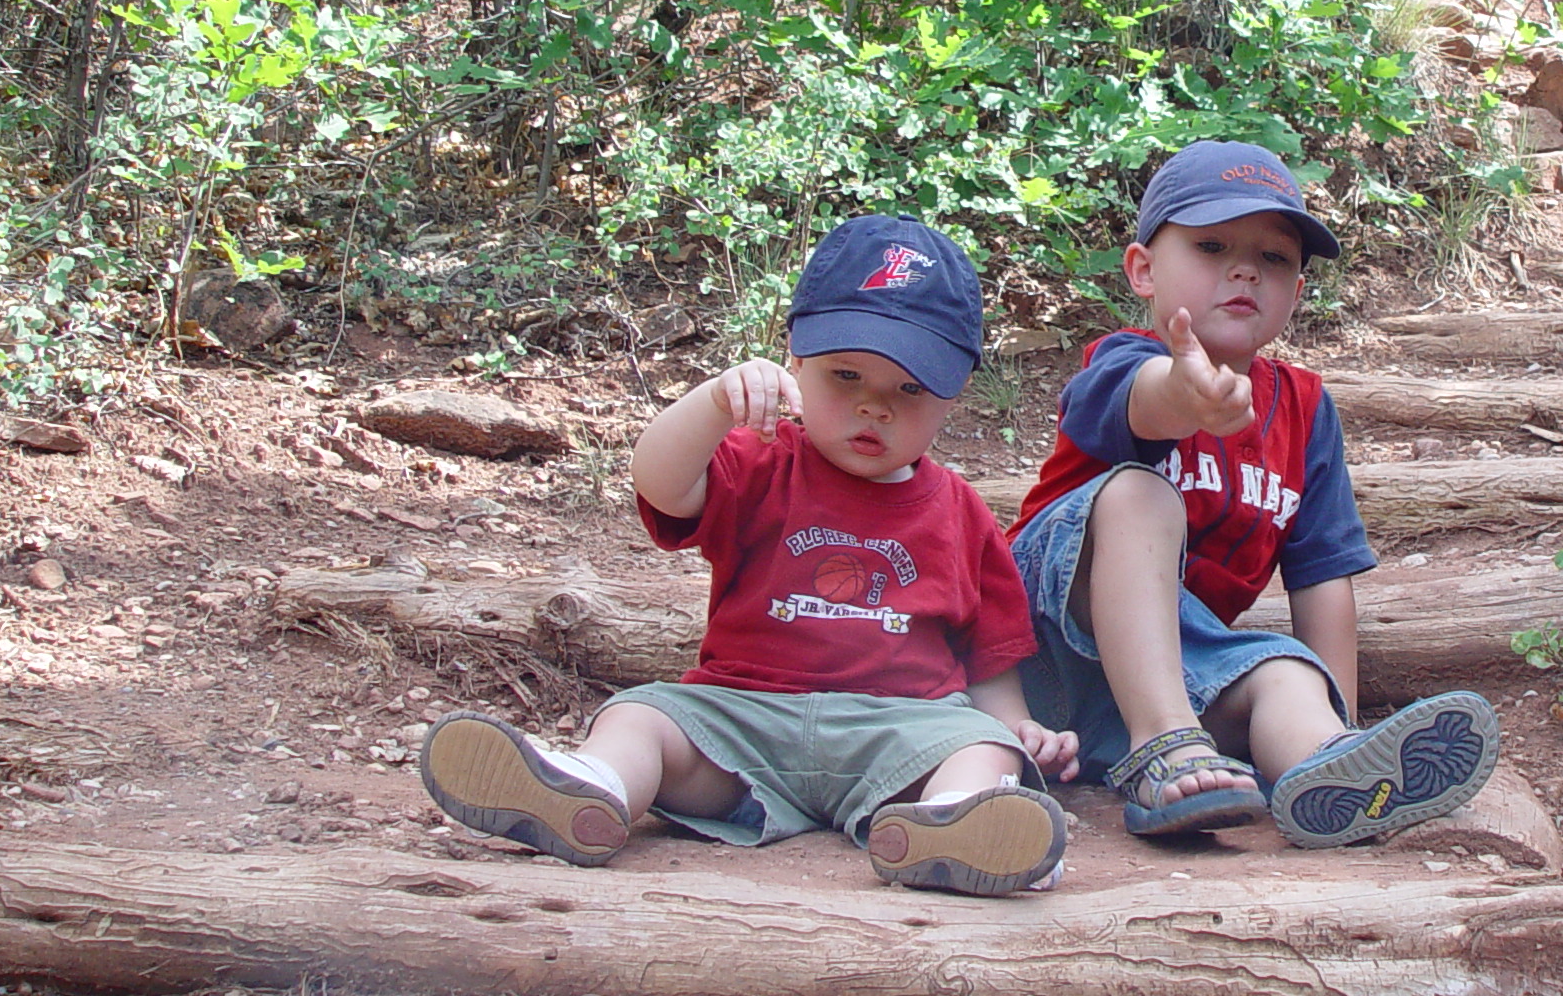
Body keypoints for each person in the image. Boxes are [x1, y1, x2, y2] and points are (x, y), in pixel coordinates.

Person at [419, 216, 1077, 896]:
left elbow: (990, 658)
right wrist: (713, 403)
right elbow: (661, 484)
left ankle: (959, 829)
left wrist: (1017, 728)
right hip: (741, 723)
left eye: (909, 389)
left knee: (981, 746)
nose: (873, 407)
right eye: (845, 374)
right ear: (794, 357)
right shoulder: (758, 462)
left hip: (897, 734)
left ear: (953, 395)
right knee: (641, 715)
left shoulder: (962, 512)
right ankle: (591, 788)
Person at [1010, 141, 1499, 845]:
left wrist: (1339, 711)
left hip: (1168, 671)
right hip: (1039, 649)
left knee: (1284, 675)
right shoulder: (1122, 362)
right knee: (1141, 495)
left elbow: (1322, 575)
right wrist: (1187, 398)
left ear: (1296, 291)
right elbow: (1142, 406)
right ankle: (1164, 745)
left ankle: (1331, 768)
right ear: (1143, 270)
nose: (1245, 270)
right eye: (1212, 247)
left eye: (1274, 259)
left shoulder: (1303, 410)